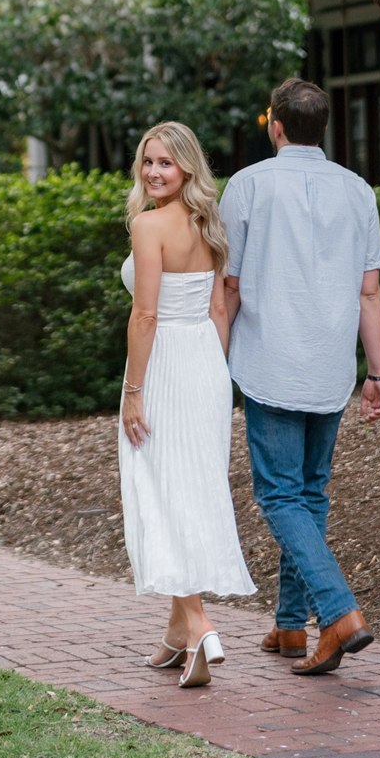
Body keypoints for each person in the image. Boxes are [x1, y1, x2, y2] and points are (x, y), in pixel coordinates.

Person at [221, 77, 380, 676]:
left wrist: (213, 359)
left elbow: (231, 286)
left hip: (270, 362)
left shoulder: (247, 186)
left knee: (280, 495)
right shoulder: (359, 191)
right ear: (322, 128)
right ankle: (292, 624)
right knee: (310, 493)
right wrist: (377, 373)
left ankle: (338, 614)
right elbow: (369, 292)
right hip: (329, 365)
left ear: (276, 126)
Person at [119, 121, 255, 688]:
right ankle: (179, 631)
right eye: (148, 161)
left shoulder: (148, 226)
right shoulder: (208, 223)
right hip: (205, 363)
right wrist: (215, 378)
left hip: (166, 364)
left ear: (187, 169)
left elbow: (146, 314)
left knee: (161, 489)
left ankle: (199, 625)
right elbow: (220, 309)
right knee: (189, 488)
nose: (153, 172)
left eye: (165, 163)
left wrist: (134, 391)